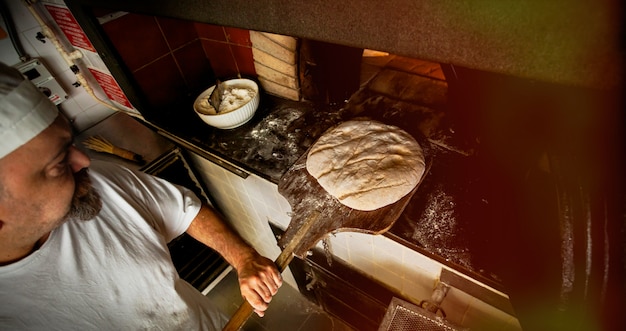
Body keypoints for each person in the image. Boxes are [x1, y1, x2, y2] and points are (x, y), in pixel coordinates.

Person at [0, 61, 282, 330]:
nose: (84, 161)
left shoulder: (98, 183)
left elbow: (187, 211)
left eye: (69, 144)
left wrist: (244, 258)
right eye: (58, 163)